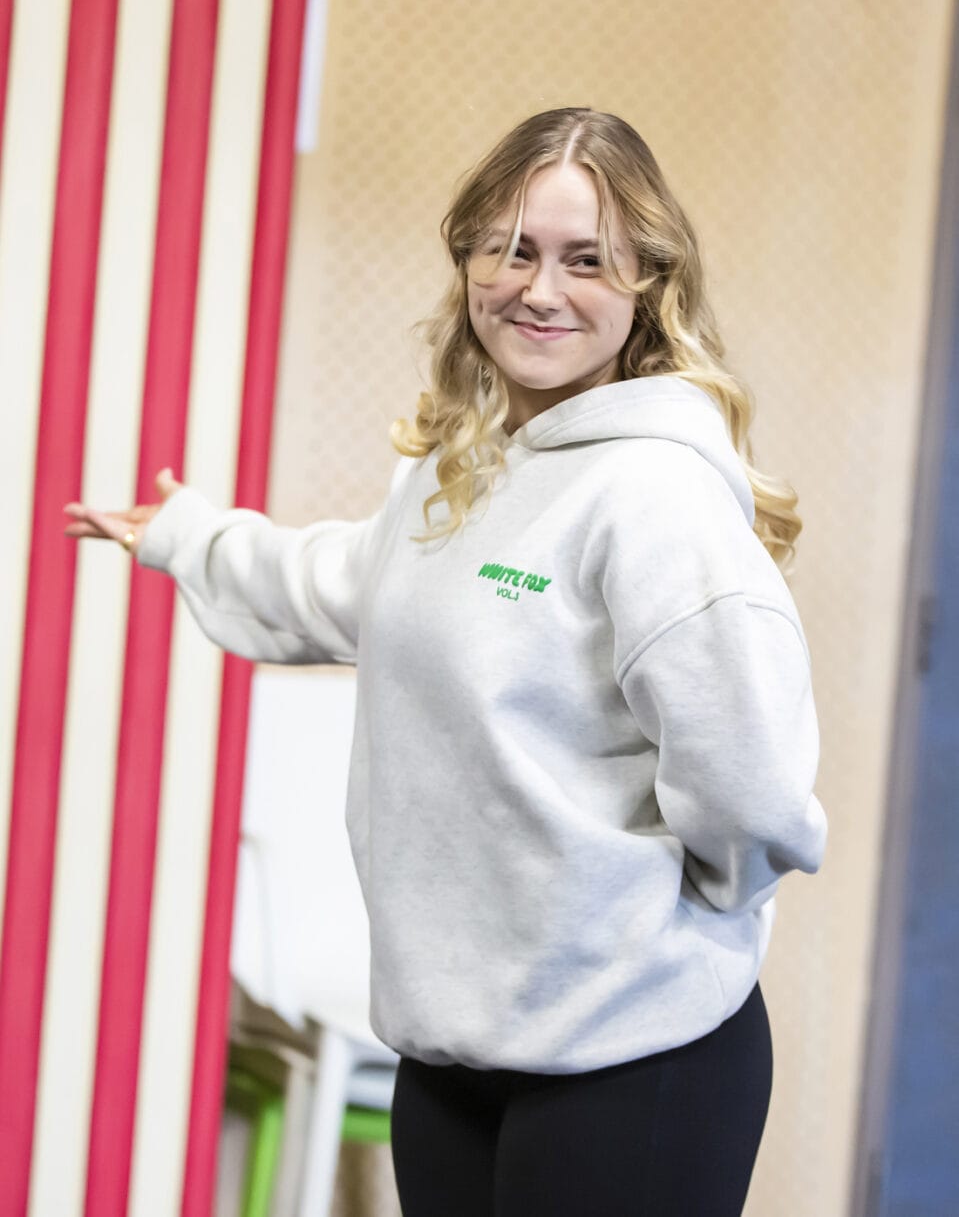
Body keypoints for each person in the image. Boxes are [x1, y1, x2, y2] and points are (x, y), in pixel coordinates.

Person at [64, 107, 827, 1216]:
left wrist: (647, 923)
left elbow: (750, 794)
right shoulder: (461, 474)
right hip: (454, 1052)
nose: (539, 289)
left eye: (584, 261)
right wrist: (187, 536)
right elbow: (344, 586)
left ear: (644, 286)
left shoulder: (654, 496)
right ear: (467, 256)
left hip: (630, 1055)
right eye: (510, 249)